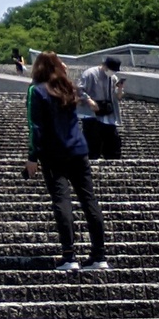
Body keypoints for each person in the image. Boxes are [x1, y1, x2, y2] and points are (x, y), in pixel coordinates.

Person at [24, 50, 109, 274]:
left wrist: (32, 157)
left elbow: (35, 127)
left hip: (54, 154)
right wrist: (63, 71)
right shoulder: (67, 88)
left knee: (62, 201)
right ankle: (99, 256)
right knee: (89, 200)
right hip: (79, 150)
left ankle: (69, 255)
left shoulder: (36, 90)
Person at [75, 52, 124, 161]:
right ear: (104, 66)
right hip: (91, 113)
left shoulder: (113, 77)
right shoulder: (90, 74)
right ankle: (91, 160)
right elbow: (79, 89)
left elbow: (117, 96)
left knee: (113, 142)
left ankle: (112, 160)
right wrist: (89, 101)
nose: (113, 72)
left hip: (107, 114)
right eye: (111, 69)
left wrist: (120, 89)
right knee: (93, 139)